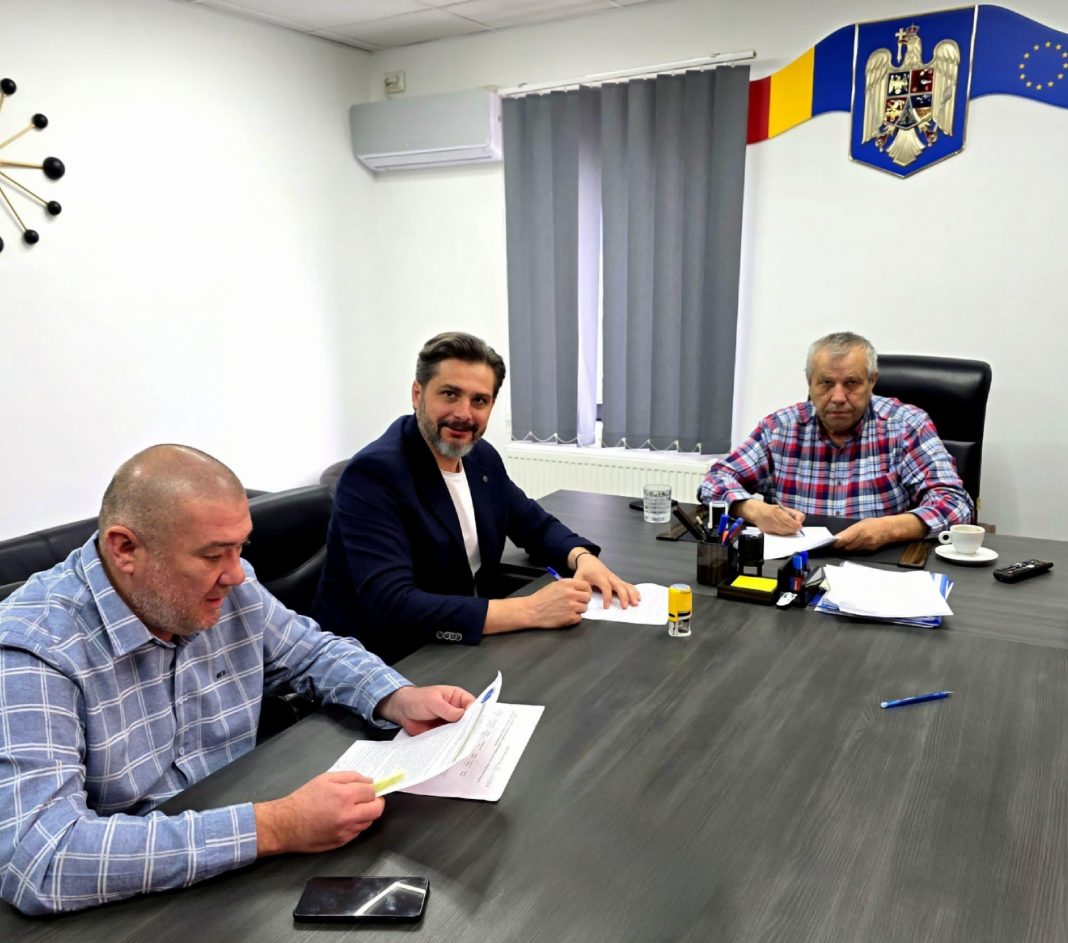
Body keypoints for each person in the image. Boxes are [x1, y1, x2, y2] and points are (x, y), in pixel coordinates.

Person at [0, 445, 474, 915]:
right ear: (125, 549)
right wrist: (277, 826)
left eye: (240, 548)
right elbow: (41, 858)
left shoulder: (227, 587)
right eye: (212, 555)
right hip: (132, 904)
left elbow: (312, 651)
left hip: (248, 857)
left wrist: (396, 695)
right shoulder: (33, 647)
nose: (237, 575)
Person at [313, 331, 640, 664]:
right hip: (383, 660)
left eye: (479, 401)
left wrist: (582, 559)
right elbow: (393, 606)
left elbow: (534, 524)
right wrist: (530, 610)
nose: (464, 414)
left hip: (460, 645)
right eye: (450, 394)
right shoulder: (373, 475)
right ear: (417, 394)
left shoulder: (480, 457)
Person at [698, 331, 975, 551]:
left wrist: (888, 529)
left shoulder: (906, 425)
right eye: (826, 383)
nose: (839, 397)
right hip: (795, 565)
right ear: (810, 382)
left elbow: (955, 504)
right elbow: (715, 480)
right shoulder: (780, 429)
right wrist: (753, 510)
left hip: (881, 564)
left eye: (851, 383)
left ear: (872, 381)